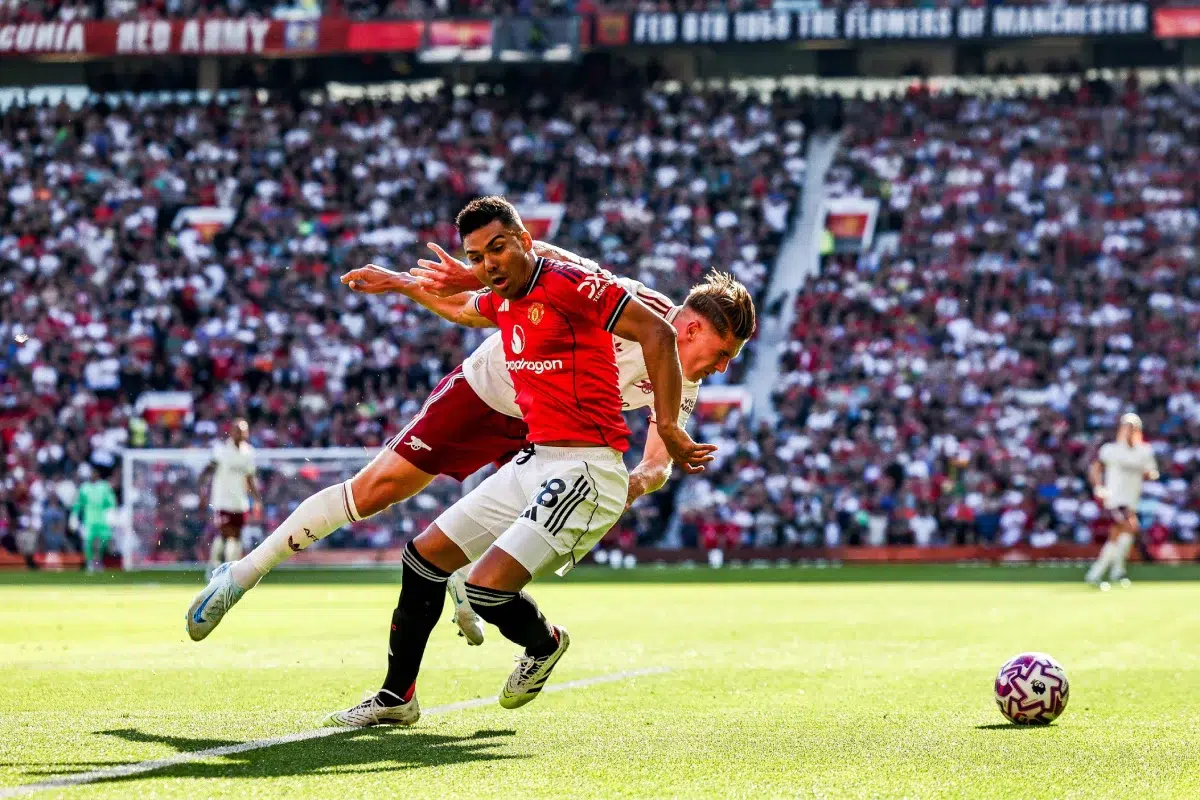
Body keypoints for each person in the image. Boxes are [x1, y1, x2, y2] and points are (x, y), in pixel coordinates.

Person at [184, 241, 754, 644]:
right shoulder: (628, 304)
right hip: (491, 388)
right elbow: (548, 259)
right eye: (724, 353)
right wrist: (461, 275)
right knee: (378, 489)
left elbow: (659, 457)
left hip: (549, 429)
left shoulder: (684, 376)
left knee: (528, 515)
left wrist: (639, 480)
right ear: (694, 327)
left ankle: (464, 580)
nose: (722, 369)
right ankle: (241, 574)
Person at [314, 195, 717, 727]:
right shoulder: (509, 297)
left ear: (524, 242)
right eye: (479, 256)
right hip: (535, 460)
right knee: (422, 560)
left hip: (584, 467)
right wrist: (404, 283)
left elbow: (656, 334)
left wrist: (664, 432)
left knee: (484, 588)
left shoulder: (583, 290)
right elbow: (463, 307)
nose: (488, 264)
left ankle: (544, 641)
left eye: (497, 249)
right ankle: (396, 699)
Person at [1085, 413, 1159, 589]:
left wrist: (1150, 475)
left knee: (1122, 536)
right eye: (1126, 426)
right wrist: (1098, 487)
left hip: (1132, 499)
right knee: (1128, 529)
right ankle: (1096, 574)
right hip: (1115, 499)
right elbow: (1095, 468)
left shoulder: (1144, 451)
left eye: (1133, 427)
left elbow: (1151, 472)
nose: (1129, 430)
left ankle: (1116, 572)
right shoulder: (1110, 449)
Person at [198, 419, 261, 581]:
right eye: (238, 430)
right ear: (231, 432)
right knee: (225, 534)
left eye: (244, 431)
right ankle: (215, 567)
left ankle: (231, 569)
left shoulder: (249, 452)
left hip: (240, 502)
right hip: (222, 501)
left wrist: (256, 500)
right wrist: (202, 489)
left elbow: (249, 478)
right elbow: (208, 470)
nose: (241, 433)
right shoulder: (221, 450)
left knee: (237, 536)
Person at [71, 468, 118, 574]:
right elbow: (78, 503)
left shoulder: (105, 487)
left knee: (103, 541)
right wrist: (74, 516)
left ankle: (98, 561)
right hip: (89, 520)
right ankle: (90, 562)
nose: (93, 475)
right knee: (88, 542)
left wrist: (112, 514)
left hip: (102, 520)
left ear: (98, 475)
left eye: (95, 473)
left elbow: (111, 501)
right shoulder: (84, 488)